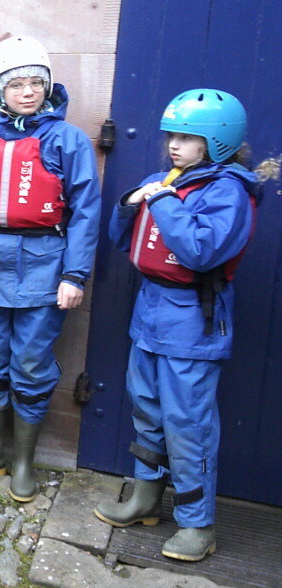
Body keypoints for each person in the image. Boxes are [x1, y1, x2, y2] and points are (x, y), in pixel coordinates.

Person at [95, 89, 260, 562]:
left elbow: (200, 251)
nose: (174, 145)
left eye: (188, 138)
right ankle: (146, 499)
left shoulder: (228, 191)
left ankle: (197, 523)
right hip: (150, 310)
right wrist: (130, 203)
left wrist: (163, 200)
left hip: (193, 319)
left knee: (189, 424)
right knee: (146, 409)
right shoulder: (164, 180)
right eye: (172, 135)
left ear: (217, 142)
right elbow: (120, 239)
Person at [0, 36, 100, 501]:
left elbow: (86, 211)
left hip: (44, 269)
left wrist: (74, 275)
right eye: (16, 84)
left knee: (32, 363)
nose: (28, 91)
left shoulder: (68, 140)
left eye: (37, 82)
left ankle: (22, 463)